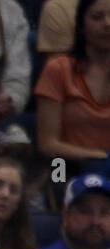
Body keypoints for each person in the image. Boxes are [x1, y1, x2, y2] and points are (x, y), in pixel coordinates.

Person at [34, 0, 110, 163]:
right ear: (81, 26)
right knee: (58, 177)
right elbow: (48, 145)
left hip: (107, 172)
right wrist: (100, 158)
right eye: (97, 17)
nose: (107, 24)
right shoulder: (58, 69)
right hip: (63, 165)